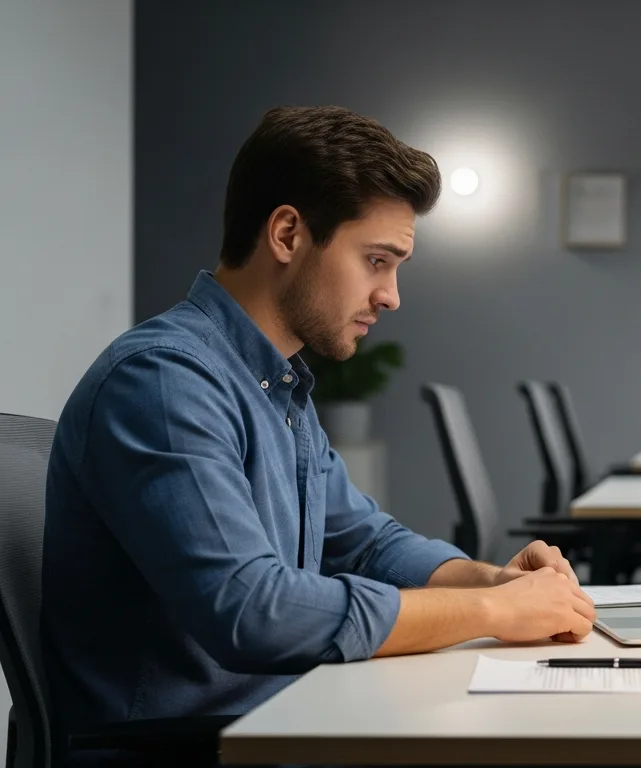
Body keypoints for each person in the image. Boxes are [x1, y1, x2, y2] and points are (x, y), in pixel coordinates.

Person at [41, 105, 596, 764]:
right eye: (376, 260)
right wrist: (492, 614)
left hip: (282, 725)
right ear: (287, 234)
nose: (391, 296)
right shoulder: (163, 382)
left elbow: (367, 542)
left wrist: (490, 582)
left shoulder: (277, 388)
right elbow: (254, 611)